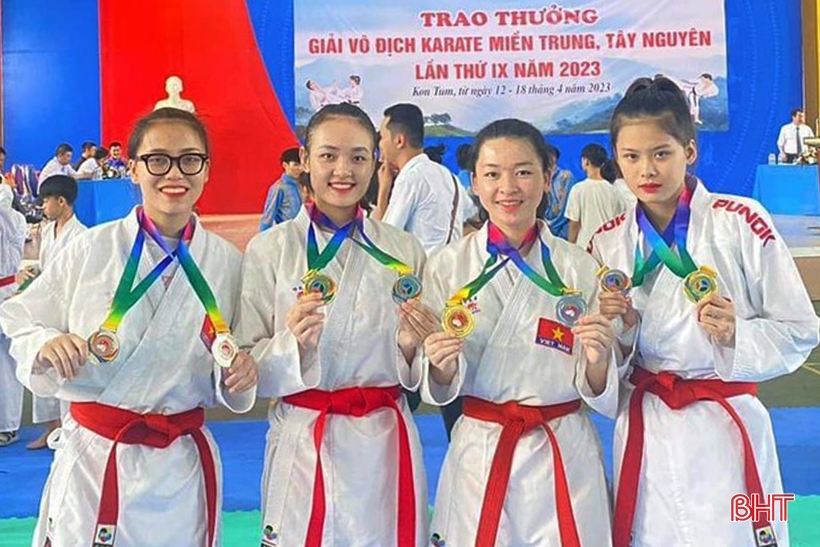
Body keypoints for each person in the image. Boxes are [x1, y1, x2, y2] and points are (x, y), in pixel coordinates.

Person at [0, 107, 258, 547]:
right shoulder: (90, 249)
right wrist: (45, 342)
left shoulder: (228, 264)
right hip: (96, 460)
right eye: (157, 160)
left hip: (179, 469)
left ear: (207, 170)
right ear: (133, 169)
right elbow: (20, 316)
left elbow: (238, 357)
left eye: (189, 160)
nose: (174, 173)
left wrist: (241, 373)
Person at [590, 76, 819, 547]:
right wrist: (622, 334)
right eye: (631, 157)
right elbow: (599, 362)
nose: (646, 170)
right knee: (651, 535)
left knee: (755, 531)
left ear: (689, 151)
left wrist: (736, 334)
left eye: (661, 153)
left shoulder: (743, 220)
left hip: (731, 425)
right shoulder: (606, 241)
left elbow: (801, 328)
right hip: (647, 428)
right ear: (617, 160)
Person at [235, 103, 430, 547]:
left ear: (375, 162)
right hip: (305, 436)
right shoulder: (271, 249)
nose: (343, 171)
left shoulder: (404, 250)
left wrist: (408, 346)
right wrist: (293, 345)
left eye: (358, 157)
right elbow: (246, 361)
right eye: (328, 156)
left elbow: (423, 363)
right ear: (305, 160)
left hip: (384, 442)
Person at [421, 118, 618, 547]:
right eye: (492, 174)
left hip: (562, 449)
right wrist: (439, 366)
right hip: (481, 449)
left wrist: (600, 360)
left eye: (523, 172)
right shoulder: (447, 266)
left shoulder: (579, 267)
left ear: (547, 178)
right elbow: (437, 385)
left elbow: (599, 389)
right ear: (474, 183)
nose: (508, 187)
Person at [15, 175, 89, 449]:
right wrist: (31, 273)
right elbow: (47, 267)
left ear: (61, 201)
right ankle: (51, 428)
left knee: (67, 371)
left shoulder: (82, 236)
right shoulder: (48, 231)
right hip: (47, 307)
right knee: (44, 366)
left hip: (70, 309)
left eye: (46, 201)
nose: (43, 206)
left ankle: (71, 431)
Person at [374, 103, 462, 255]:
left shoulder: (411, 178)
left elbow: (386, 239)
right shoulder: (448, 175)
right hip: (447, 266)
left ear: (399, 141)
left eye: (382, 137)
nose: (380, 144)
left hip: (420, 269)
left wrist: (383, 192)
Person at [0, 184, 27, 447]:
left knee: (6, 362)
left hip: (5, 291)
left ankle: (7, 425)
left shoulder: (13, 220)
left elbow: (2, 199)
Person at [565, 143, 627, 249]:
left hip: (584, 248)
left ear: (586, 161)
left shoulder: (578, 189)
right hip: (608, 248)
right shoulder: (613, 190)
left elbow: (574, 224)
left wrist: (570, 247)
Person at [259, 147, 304, 231]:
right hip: (287, 233)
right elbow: (268, 216)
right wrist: (262, 236)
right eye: (296, 164)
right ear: (285, 165)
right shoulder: (279, 188)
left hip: (305, 232)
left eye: (302, 164)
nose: (300, 168)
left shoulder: (304, 185)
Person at [540, 144, 576, 240]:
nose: (548, 159)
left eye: (551, 156)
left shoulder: (566, 177)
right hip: (543, 230)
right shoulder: (539, 177)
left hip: (562, 232)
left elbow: (567, 207)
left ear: (555, 158)